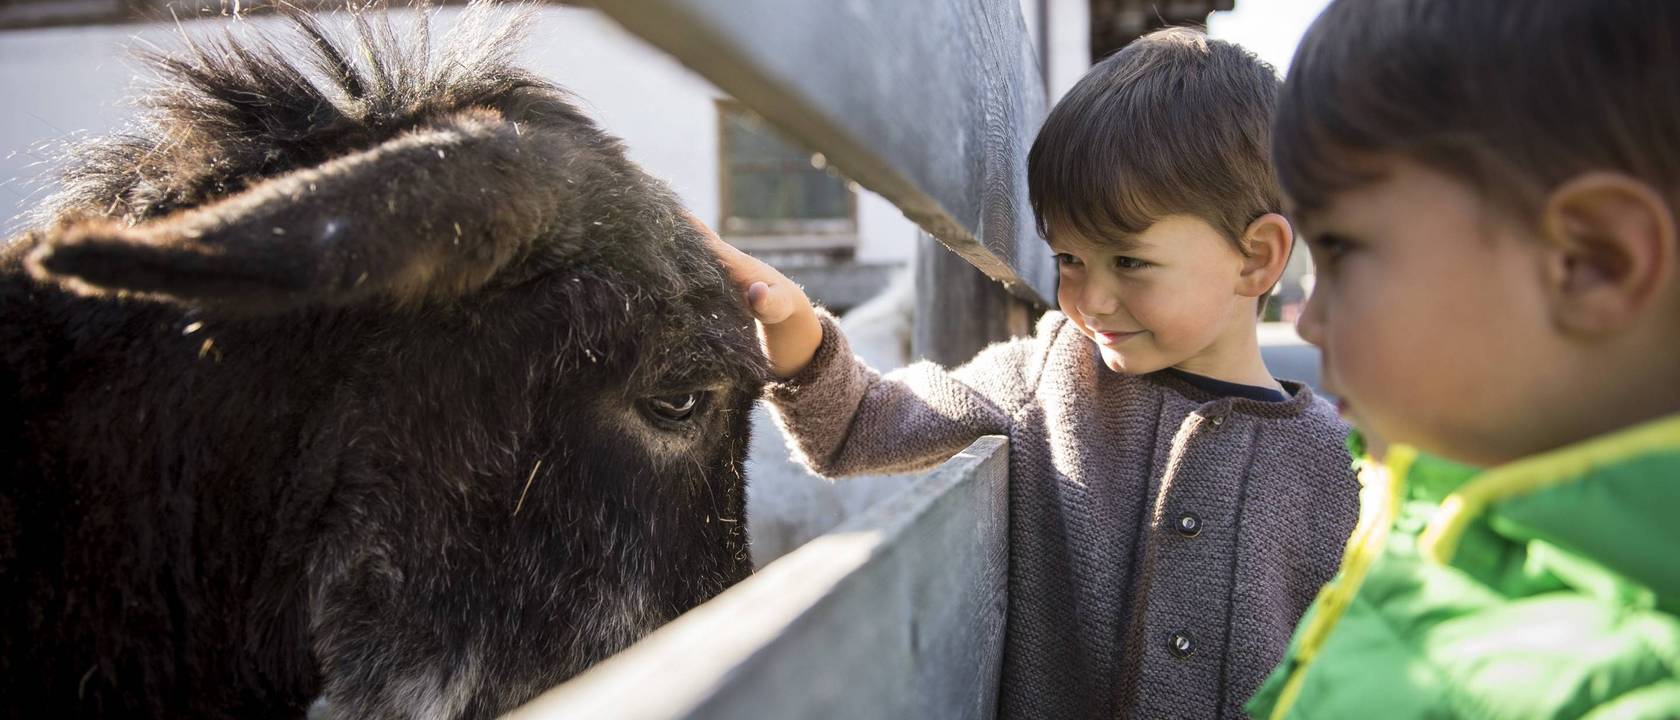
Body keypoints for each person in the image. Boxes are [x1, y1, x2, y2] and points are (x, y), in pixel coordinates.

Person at [707, 28, 1358, 719]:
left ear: (1256, 258)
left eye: (1129, 262)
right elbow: (858, 428)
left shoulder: (1336, 470)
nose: (1088, 299)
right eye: (1069, 260)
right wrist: (793, 331)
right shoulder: (1047, 377)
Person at [1243, 1, 1680, 717]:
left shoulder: (1636, 691)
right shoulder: (1441, 532)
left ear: (1592, 261)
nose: (1310, 320)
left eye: (1343, 250)